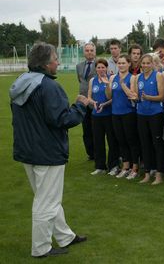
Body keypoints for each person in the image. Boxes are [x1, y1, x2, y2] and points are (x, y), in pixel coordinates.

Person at [10, 42, 88, 258]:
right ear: (45, 64)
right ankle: (41, 248)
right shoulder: (48, 87)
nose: (58, 62)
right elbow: (62, 119)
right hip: (47, 152)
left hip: (28, 150)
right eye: (55, 58)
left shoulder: (21, 82)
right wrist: (80, 105)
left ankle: (65, 236)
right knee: (47, 201)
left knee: (47, 197)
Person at [134, 54, 164, 185]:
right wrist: (133, 97)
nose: (145, 65)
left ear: (153, 64)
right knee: (145, 144)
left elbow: (161, 97)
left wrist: (148, 97)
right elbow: (138, 97)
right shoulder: (139, 77)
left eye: (148, 63)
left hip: (155, 114)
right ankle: (147, 173)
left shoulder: (158, 75)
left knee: (157, 144)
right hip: (141, 113)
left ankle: (159, 174)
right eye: (143, 63)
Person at [106, 55, 141, 180]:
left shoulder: (132, 78)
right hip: (116, 113)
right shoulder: (112, 78)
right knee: (121, 141)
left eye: (123, 63)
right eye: (119, 63)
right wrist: (108, 85)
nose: (121, 65)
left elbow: (133, 95)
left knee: (131, 140)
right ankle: (125, 167)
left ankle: (135, 168)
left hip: (128, 113)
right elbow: (109, 96)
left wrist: (122, 84)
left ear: (128, 64)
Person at [87, 58, 120, 176]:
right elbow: (89, 97)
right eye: (98, 67)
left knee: (112, 141)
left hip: (109, 114)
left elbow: (113, 97)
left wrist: (104, 104)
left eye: (103, 67)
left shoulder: (110, 79)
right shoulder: (92, 80)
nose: (101, 70)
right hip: (96, 116)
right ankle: (100, 166)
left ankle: (113, 166)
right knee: (98, 141)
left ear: (107, 68)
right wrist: (94, 103)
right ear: (95, 69)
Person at [76, 42, 96, 160]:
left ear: (95, 52)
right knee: (86, 129)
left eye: (91, 50)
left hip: (95, 101)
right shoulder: (79, 66)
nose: (89, 52)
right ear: (84, 52)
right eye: (87, 50)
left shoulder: (100, 64)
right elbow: (80, 81)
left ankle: (98, 151)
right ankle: (90, 153)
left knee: (96, 129)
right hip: (83, 102)